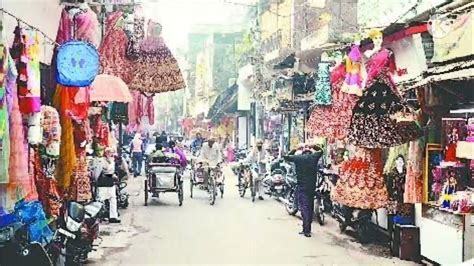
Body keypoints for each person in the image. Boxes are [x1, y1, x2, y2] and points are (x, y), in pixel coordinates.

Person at [284, 145, 322, 237]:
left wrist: (295, 148)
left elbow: (286, 157)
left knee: (304, 208)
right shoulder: (314, 157)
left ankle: (306, 230)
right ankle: (307, 228)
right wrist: (314, 146)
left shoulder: (298, 158)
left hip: (302, 186)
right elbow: (321, 151)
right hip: (311, 187)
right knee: (309, 207)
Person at [94, 148, 120, 223]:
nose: (111, 154)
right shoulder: (101, 161)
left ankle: (113, 216)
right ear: (106, 153)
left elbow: (112, 171)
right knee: (100, 199)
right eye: (110, 153)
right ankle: (99, 216)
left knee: (113, 199)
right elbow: (98, 173)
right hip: (103, 183)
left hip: (110, 183)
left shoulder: (112, 161)